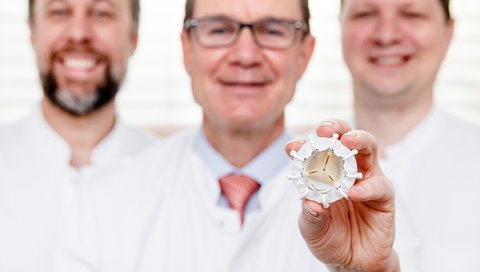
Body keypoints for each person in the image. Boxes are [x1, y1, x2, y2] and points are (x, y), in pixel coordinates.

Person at [54, 0, 407, 271]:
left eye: (272, 30)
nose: (245, 55)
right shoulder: (104, 201)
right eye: (219, 30)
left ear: (305, 54)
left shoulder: (367, 205)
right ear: (186, 49)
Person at [0, 0, 156, 271]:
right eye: (59, 12)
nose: (79, 33)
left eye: (102, 13)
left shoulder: (174, 176)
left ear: (133, 37)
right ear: (32, 32)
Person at [340, 0, 480, 270]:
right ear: (341, 29)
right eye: (366, 14)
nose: (386, 35)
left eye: (412, 14)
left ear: (449, 31)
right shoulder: (291, 169)